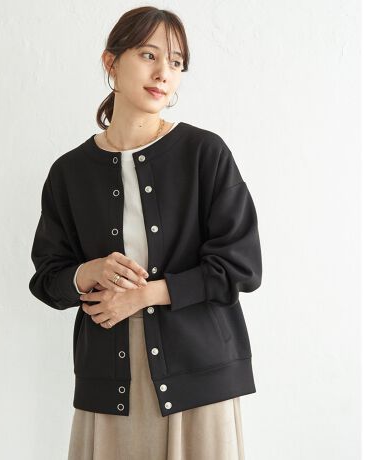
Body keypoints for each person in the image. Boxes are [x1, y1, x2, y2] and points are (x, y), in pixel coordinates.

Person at [29, 6, 262, 460]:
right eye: (149, 55)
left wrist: (144, 295)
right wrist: (88, 272)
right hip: (110, 382)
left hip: (198, 378)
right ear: (111, 62)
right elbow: (47, 279)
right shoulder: (69, 172)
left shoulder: (205, 153)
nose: (163, 74)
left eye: (176, 62)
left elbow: (241, 267)